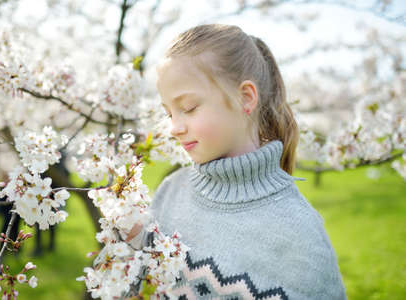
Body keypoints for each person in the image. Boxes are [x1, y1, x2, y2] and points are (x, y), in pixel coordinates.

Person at [127, 23, 347, 299]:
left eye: (189, 108)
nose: (174, 127)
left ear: (245, 98)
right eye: (170, 113)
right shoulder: (171, 191)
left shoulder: (299, 233)